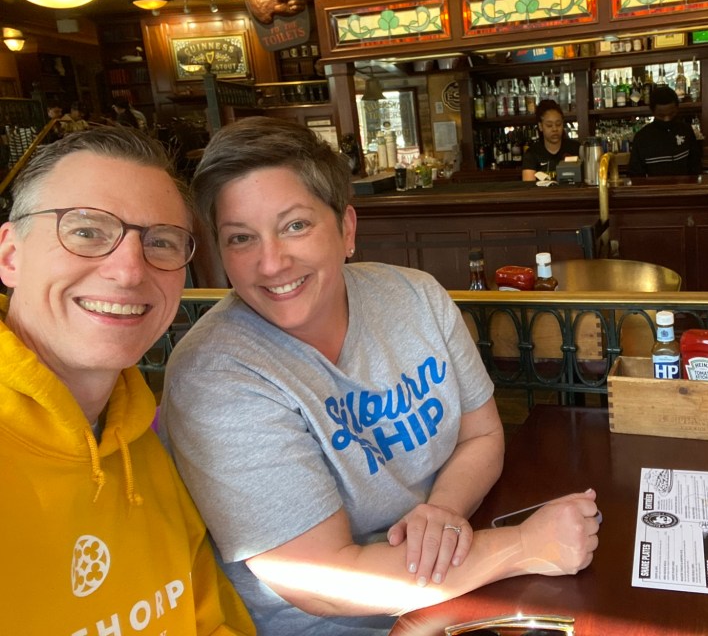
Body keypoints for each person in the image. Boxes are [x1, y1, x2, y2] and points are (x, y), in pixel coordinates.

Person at [160, 117, 600, 635]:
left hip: (453, 590)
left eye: (295, 225)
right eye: (241, 238)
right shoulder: (217, 374)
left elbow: (481, 433)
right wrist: (526, 546)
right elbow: (322, 582)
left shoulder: (416, 297)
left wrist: (442, 511)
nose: (271, 262)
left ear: (346, 229)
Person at [0, 127, 254, 634]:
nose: (129, 271)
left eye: (160, 242)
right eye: (87, 232)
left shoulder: (140, 435)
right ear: (10, 255)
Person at [627, 85, 702, 176]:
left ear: (677, 108)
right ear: (653, 112)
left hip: (685, 184)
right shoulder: (642, 138)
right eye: (661, 115)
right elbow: (635, 176)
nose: (667, 119)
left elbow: (696, 167)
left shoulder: (686, 130)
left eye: (671, 114)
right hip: (655, 185)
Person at [521, 99, 580, 180]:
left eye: (558, 124)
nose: (555, 129)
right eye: (549, 125)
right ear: (540, 126)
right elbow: (528, 185)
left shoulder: (576, 148)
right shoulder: (532, 154)